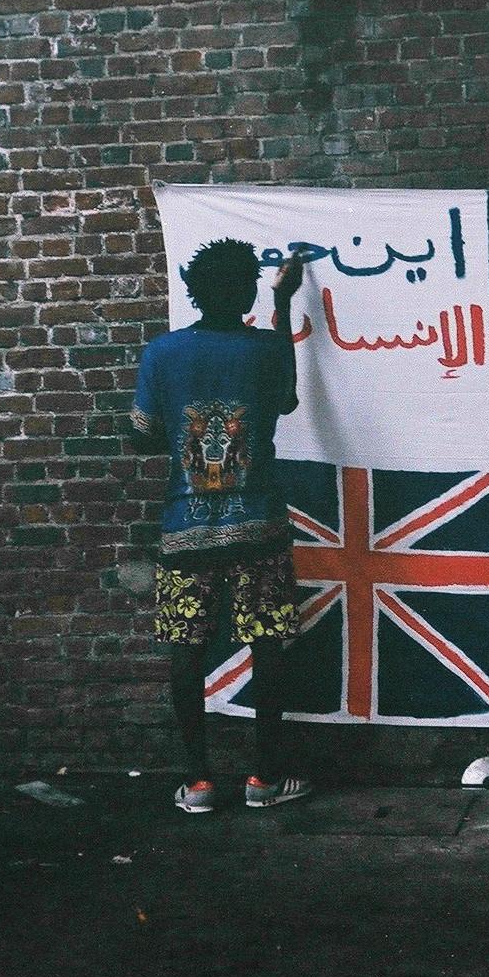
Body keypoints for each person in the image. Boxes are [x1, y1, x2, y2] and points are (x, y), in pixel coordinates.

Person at [128, 237, 311, 812]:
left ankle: (199, 783)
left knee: (187, 651)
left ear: (194, 292)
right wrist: (283, 304)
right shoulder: (267, 350)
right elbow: (286, 402)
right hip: (259, 527)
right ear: (248, 291)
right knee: (267, 647)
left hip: (185, 531)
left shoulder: (162, 352)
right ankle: (264, 779)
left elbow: (141, 434)